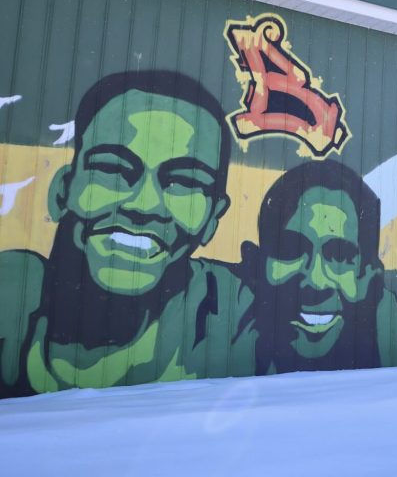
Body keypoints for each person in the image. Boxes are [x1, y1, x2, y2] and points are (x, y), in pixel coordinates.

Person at [0, 71, 254, 397]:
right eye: (112, 169)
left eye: (185, 182)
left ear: (212, 220)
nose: (145, 205)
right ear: (63, 190)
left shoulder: (231, 308)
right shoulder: (13, 294)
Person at [241, 160, 397, 373]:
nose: (316, 282)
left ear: (370, 277)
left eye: (340, 256)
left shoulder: (387, 328)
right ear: (257, 266)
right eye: (289, 251)